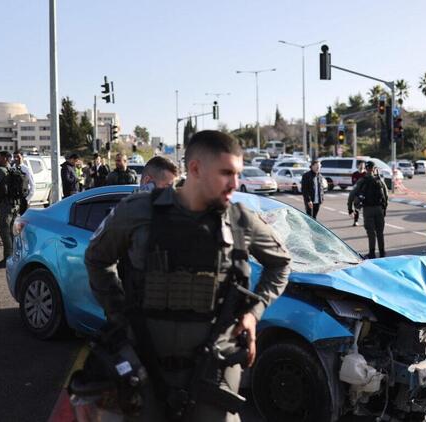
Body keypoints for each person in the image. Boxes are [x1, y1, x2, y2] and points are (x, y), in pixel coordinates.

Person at [84, 130, 291, 421]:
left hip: (213, 372)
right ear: (195, 169)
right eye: (226, 173)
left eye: (238, 173)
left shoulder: (240, 220)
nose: (235, 183)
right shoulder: (138, 211)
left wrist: (254, 313)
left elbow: (280, 264)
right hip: (143, 367)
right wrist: (119, 314)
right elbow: (96, 258)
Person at [347, 161, 388, 259]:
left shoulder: (362, 180)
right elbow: (386, 195)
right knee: (380, 233)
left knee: (371, 233)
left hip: (367, 209)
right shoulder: (380, 180)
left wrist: (350, 208)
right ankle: (382, 253)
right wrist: (384, 209)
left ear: (366, 169)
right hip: (379, 209)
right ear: (374, 169)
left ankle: (372, 253)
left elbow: (352, 195)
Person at [0, 151, 19, 268]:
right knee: (12, 232)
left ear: (5, 159)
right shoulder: (12, 169)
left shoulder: (1, 171)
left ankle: (7, 258)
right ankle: (14, 257)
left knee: (5, 232)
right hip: (14, 205)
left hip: (6, 205)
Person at [12, 151, 35, 215]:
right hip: (15, 198)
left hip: (23, 198)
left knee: (24, 219)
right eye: (14, 157)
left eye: (18, 157)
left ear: (22, 157)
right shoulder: (12, 168)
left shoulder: (26, 169)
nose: (16, 159)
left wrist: (28, 199)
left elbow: (32, 185)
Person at [351, 162, 367, 226]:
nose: (362, 167)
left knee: (366, 208)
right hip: (357, 193)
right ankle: (355, 221)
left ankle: (366, 221)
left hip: (365, 193)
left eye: (363, 165)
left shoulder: (366, 174)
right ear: (358, 166)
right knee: (356, 208)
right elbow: (354, 183)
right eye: (360, 165)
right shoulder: (355, 174)